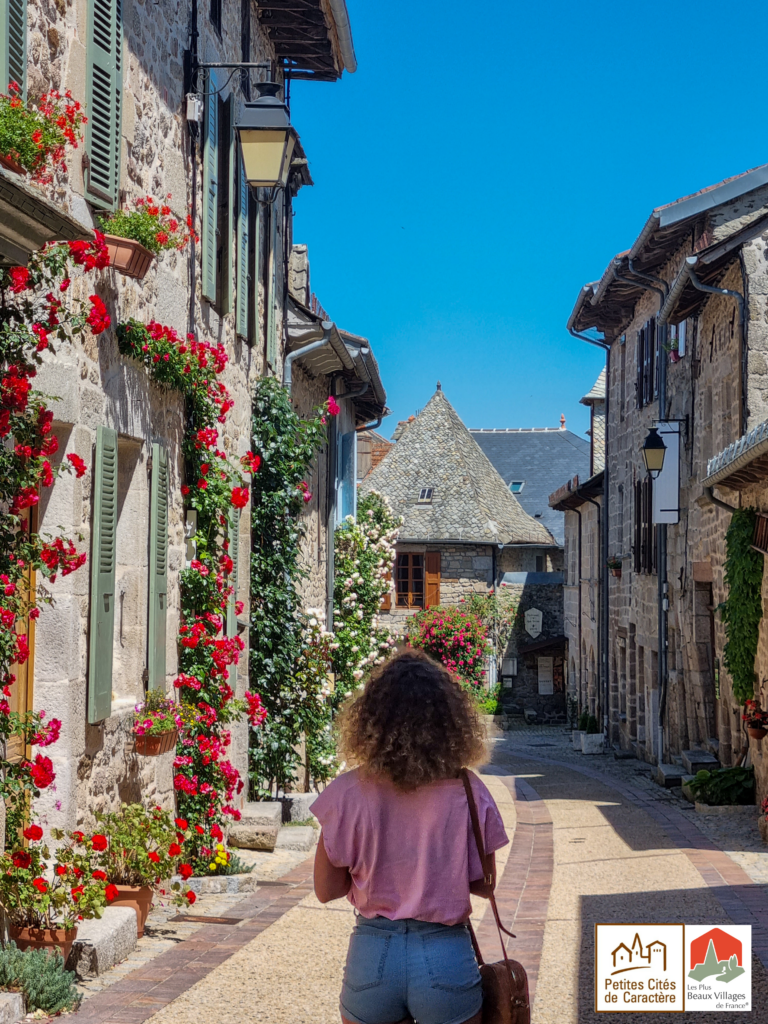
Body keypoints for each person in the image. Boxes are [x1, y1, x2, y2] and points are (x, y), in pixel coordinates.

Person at [312, 649, 509, 1024]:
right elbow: (485, 885)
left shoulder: (346, 793)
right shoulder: (469, 791)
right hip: (445, 954)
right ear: (451, 722)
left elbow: (326, 890)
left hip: (372, 957)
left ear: (372, 720)